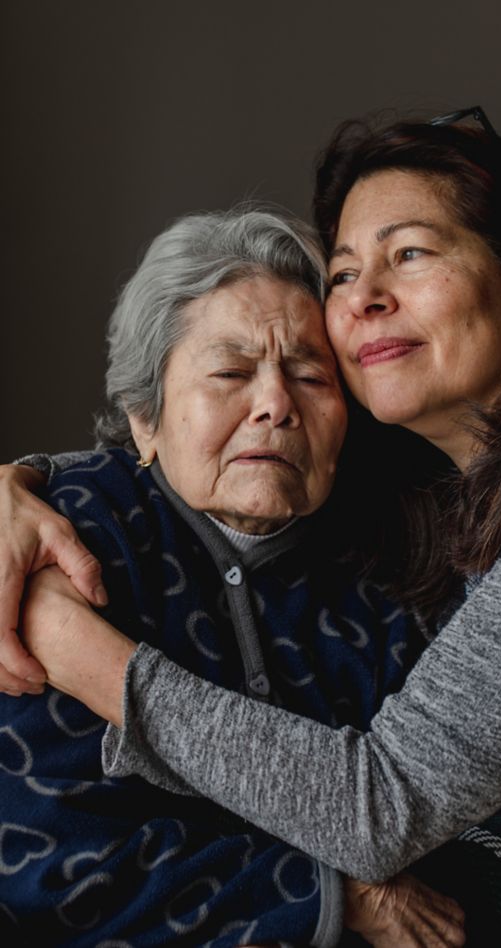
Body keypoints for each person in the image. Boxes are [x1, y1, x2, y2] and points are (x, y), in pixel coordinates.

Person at [4, 106, 501, 937]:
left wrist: (78, 649)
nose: (275, 404)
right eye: (343, 274)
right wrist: (18, 484)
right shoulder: (446, 501)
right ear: (144, 420)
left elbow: (386, 805)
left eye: (409, 253)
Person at [0, 207, 470, 947]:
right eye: (229, 372)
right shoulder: (63, 541)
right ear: (144, 420)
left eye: (311, 376)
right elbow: (55, 866)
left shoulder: (393, 560)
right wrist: (337, 896)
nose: (276, 404)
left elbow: (431, 812)